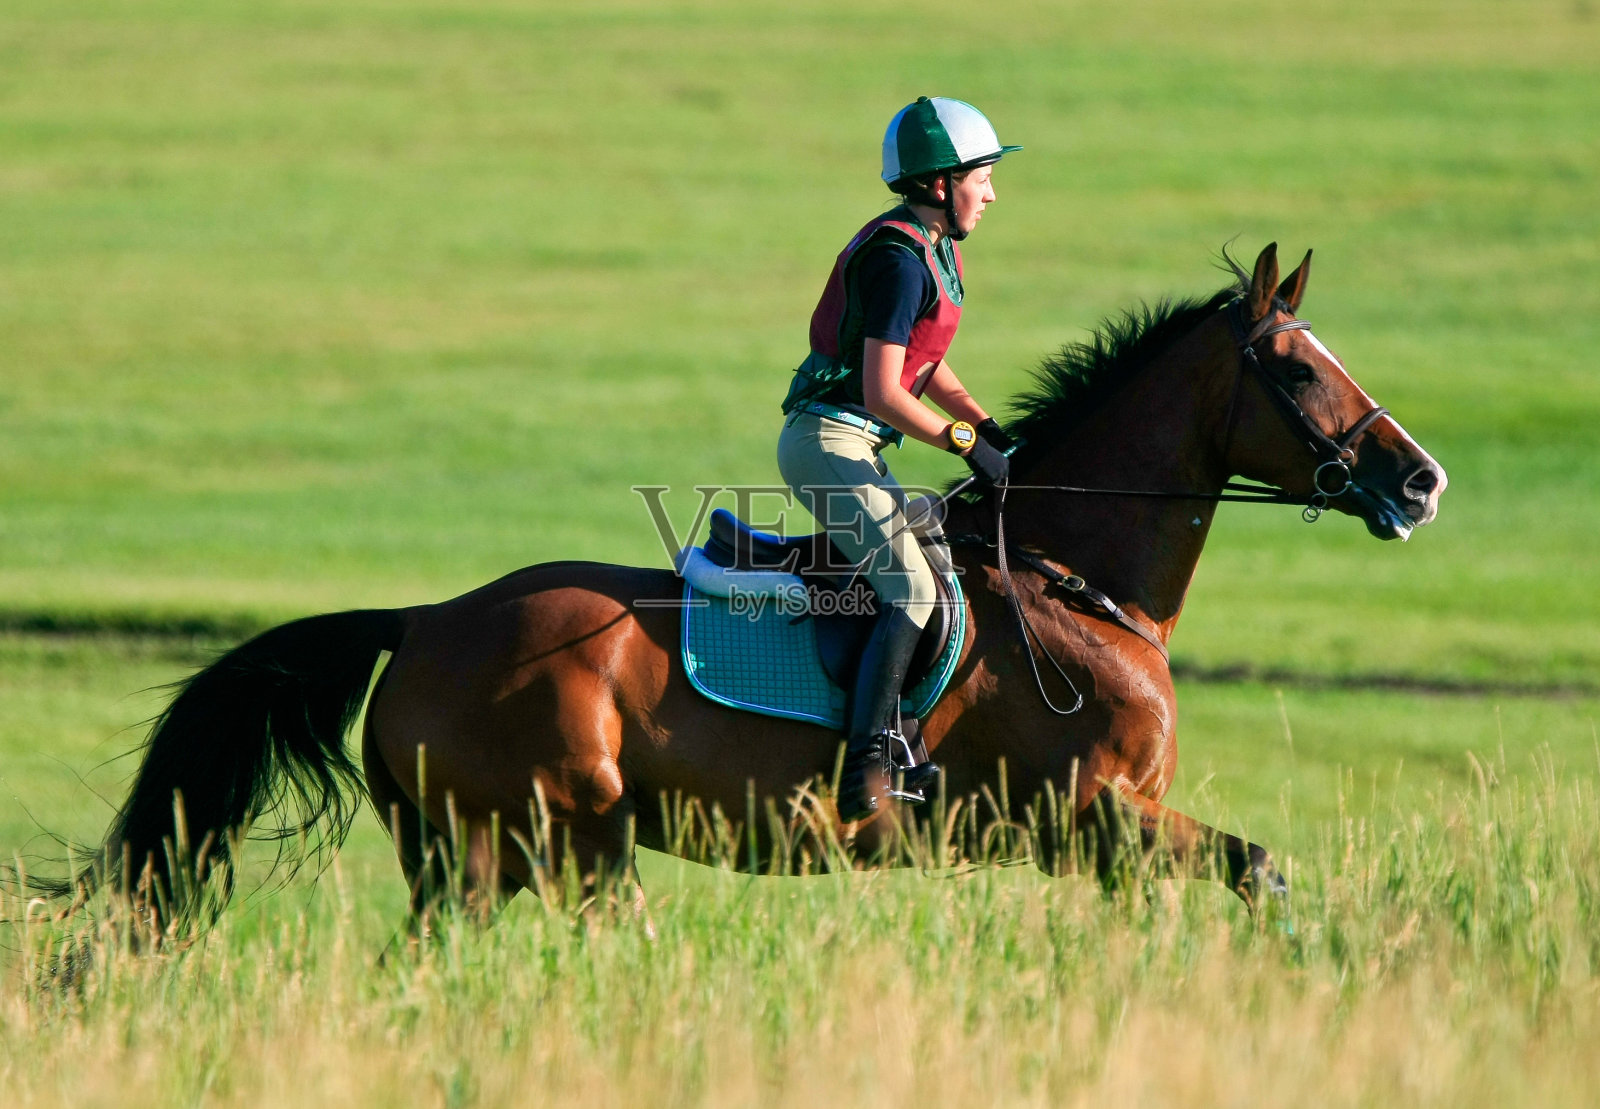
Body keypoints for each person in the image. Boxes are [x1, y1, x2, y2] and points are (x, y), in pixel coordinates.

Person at [777, 96, 1019, 822]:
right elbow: (884, 393)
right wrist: (961, 444)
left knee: (936, 567)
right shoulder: (899, 261)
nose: (992, 193)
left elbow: (926, 361)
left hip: (854, 440)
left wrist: (986, 424)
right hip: (827, 442)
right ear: (941, 183)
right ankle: (865, 769)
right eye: (982, 178)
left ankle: (902, 736)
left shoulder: (932, 245)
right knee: (912, 590)